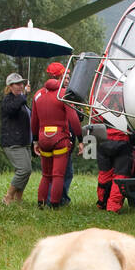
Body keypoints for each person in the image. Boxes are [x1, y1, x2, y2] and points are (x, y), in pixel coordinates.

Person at [31, 61, 82, 208]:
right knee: (58, 175)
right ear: (60, 76)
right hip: (60, 138)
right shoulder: (63, 94)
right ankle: (54, 205)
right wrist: (80, 139)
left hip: (43, 139)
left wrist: (35, 141)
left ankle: (41, 203)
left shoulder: (38, 95)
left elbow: (34, 121)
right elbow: (73, 119)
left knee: (46, 175)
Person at [0, 72, 32, 203]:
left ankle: (18, 198)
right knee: (24, 170)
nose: (20, 86)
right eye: (17, 84)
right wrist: (25, 94)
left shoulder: (21, 101)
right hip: (12, 142)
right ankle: (8, 196)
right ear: (10, 86)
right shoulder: (8, 100)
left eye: (21, 83)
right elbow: (12, 109)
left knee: (27, 171)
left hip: (24, 142)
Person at [94, 120, 135, 213]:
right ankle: (113, 207)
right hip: (123, 141)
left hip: (103, 140)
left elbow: (94, 121)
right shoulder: (126, 104)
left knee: (104, 174)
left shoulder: (99, 104)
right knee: (121, 176)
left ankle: (102, 202)